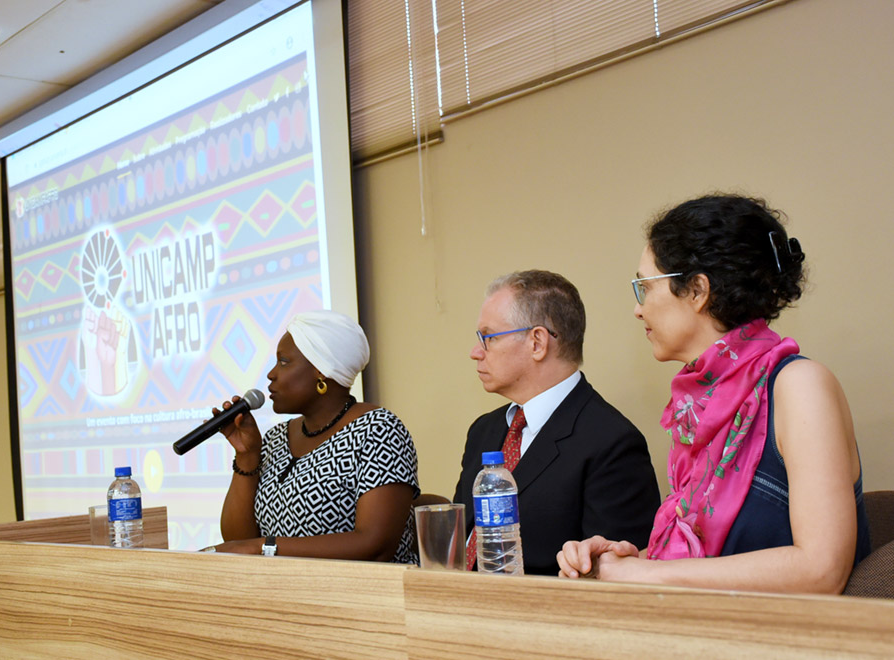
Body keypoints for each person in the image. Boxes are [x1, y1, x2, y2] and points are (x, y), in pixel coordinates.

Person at [557, 194, 872, 593]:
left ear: (697, 291)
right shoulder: (701, 403)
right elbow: (714, 563)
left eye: (644, 287)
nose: (638, 309)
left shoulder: (800, 385)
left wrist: (649, 574)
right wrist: (628, 560)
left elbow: (821, 569)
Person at [454, 270, 660, 575]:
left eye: (488, 338)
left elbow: (617, 578)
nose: (475, 353)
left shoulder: (612, 442)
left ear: (537, 342)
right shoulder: (484, 430)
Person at [211, 310, 419, 563]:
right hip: (283, 594)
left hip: (365, 595)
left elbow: (375, 545)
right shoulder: (276, 438)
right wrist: (247, 457)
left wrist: (264, 547)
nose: (271, 374)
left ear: (321, 371)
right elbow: (238, 543)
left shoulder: (378, 429)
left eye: (284, 361)